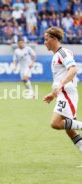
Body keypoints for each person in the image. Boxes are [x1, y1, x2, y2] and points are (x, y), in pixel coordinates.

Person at [43, 27, 82, 155]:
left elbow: (73, 70)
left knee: (55, 123)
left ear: (54, 39)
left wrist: (60, 84)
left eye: (46, 39)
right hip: (62, 94)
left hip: (67, 94)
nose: (45, 42)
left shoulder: (63, 53)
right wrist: (53, 94)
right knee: (70, 129)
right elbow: (60, 78)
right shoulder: (56, 56)